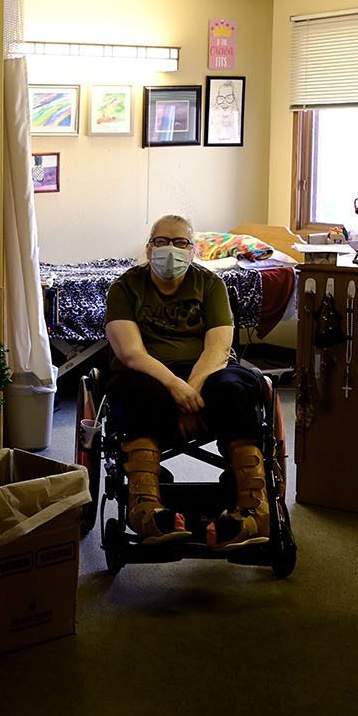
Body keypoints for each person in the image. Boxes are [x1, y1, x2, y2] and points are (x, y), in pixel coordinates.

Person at [103, 213, 273, 550]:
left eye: (180, 242)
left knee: (235, 387)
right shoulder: (125, 288)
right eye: (161, 241)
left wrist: (191, 391)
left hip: (206, 374)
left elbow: (219, 349)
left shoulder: (211, 285)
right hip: (151, 375)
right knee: (134, 388)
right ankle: (147, 507)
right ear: (149, 248)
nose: (171, 249)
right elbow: (132, 353)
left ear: (193, 250)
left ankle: (254, 506)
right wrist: (175, 387)